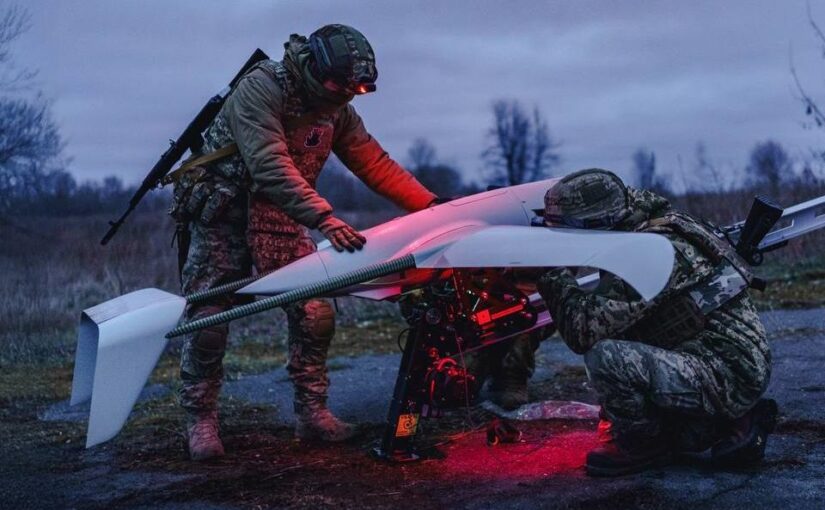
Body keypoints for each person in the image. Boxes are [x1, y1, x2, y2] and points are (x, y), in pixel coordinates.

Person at [170, 24, 437, 460]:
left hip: (280, 215)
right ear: (314, 67)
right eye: (339, 85)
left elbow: (373, 162)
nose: (345, 96)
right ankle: (200, 420)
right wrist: (323, 218)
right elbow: (269, 164)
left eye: (355, 90)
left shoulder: (338, 110)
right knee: (209, 319)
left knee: (315, 312)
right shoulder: (262, 88)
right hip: (223, 215)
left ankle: (312, 413)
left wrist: (431, 206)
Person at [536, 169, 776, 477]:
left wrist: (550, 272)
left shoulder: (649, 252)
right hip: (709, 353)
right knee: (683, 437)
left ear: (598, 223)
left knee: (606, 358)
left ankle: (642, 444)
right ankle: (732, 420)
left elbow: (582, 331)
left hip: (727, 369)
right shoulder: (645, 223)